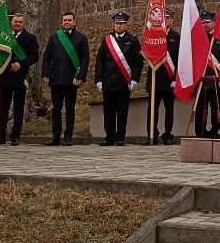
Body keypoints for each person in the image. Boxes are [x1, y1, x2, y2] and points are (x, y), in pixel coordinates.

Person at [41, 11, 90, 146]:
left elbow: (85, 59)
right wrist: (45, 74)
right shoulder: (54, 37)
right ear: (62, 22)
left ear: (74, 22)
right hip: (56, 78)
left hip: (71, 78)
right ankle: (55, 136)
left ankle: (68, 136)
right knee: (56, 108)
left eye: (69, 20)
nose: (66, 22)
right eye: (64, 20)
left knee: (70, 108)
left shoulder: (81, 38)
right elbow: (47, 57)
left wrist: (82, 76)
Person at [95, 12, 143, 147]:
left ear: (126, 25)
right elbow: (100, 60)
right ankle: (109, 137)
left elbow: (137, 62)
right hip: (109, 81)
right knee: (108, 111)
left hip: (124, 82)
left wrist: (135, 80)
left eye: (121, 24)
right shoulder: (107, 40)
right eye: (117, 23)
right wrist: (98, 80)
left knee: (122, 112)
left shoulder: (132, 41)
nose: (119, 26)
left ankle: (120, 137)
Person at [0, 13, 39, 146]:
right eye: (15, 21)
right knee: (3, 108)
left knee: (19, 108)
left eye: (20, 22)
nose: (18, 24)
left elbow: (34, 57)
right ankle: (0, 136)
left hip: (21, 77)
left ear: (24, 24)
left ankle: (15, 136)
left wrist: (21, 64)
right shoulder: (4, 37)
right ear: (11, 23)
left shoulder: (30, 38)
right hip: (5, 77)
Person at [145, 8, 180, 145]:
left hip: (169, 79)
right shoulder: (151, 35)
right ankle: (152, 134)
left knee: (169, 109)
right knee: (152, 109)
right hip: (154, 78)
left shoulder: (175, 37)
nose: (166, 21)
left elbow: (179, 58)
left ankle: (167, 134)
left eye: (168, 18)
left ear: (171, 20)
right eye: (163, 18)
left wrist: (175, 78)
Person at [194, 12, 220, 139]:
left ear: (214, 22)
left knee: (216, 106)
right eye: (203, 23)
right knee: (201, 106)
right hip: (201, 78)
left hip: (216, 77)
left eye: (207, 22)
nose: (205, 25)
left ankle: (215, 129)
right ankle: (200, 130)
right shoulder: (197, 39)